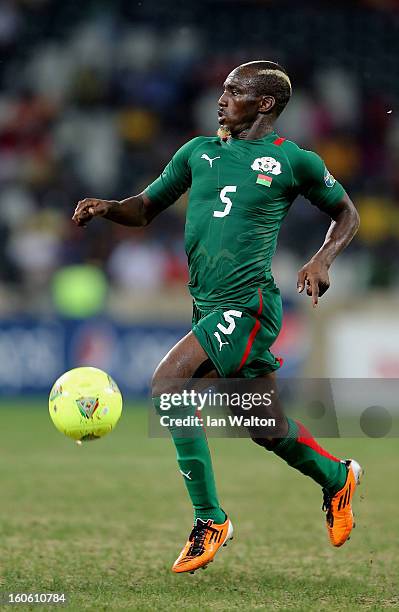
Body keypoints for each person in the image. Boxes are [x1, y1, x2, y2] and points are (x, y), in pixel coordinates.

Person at [73, 60, 362, 575]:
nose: (221, 98)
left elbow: (347, 213)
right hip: (207, 304)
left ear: (265, 103)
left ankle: (210, 520)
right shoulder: (196, 152)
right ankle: (337, 478)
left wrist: (322, 257)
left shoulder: (293, 160)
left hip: (247, 306)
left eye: (234, 91)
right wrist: (107, 207)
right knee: (262, 424)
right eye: (223, 90)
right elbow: (144, 209)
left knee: (168, 383)